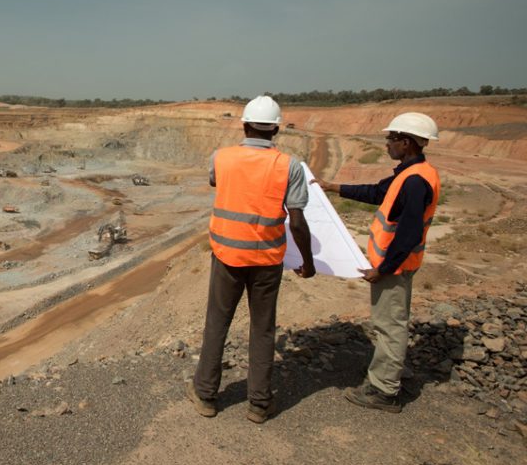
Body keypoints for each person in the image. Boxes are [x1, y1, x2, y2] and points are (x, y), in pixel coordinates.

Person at [186, 95, 316, 424]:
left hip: (227, 256)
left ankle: (206, 396)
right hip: (267, 262)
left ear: (244, 125)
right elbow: (298, 221)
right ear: (276, 130)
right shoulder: (290, 166)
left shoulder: (222, 157)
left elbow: (216, 180)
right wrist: (308, 261)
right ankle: (259, 404)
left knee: (217, 323)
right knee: (262, 330)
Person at [312, 112, 440, 413]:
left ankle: (383, 391)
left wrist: (382, 269)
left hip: (394, 266)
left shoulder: (415, 182)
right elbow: (377, 192)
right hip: (398, 264)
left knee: (390, 325)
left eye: (392, 139)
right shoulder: (410, 173)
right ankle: (389, 375)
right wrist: (333, 187)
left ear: (406, 143)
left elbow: (406, 235)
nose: (387, 144)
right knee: (391, 322)